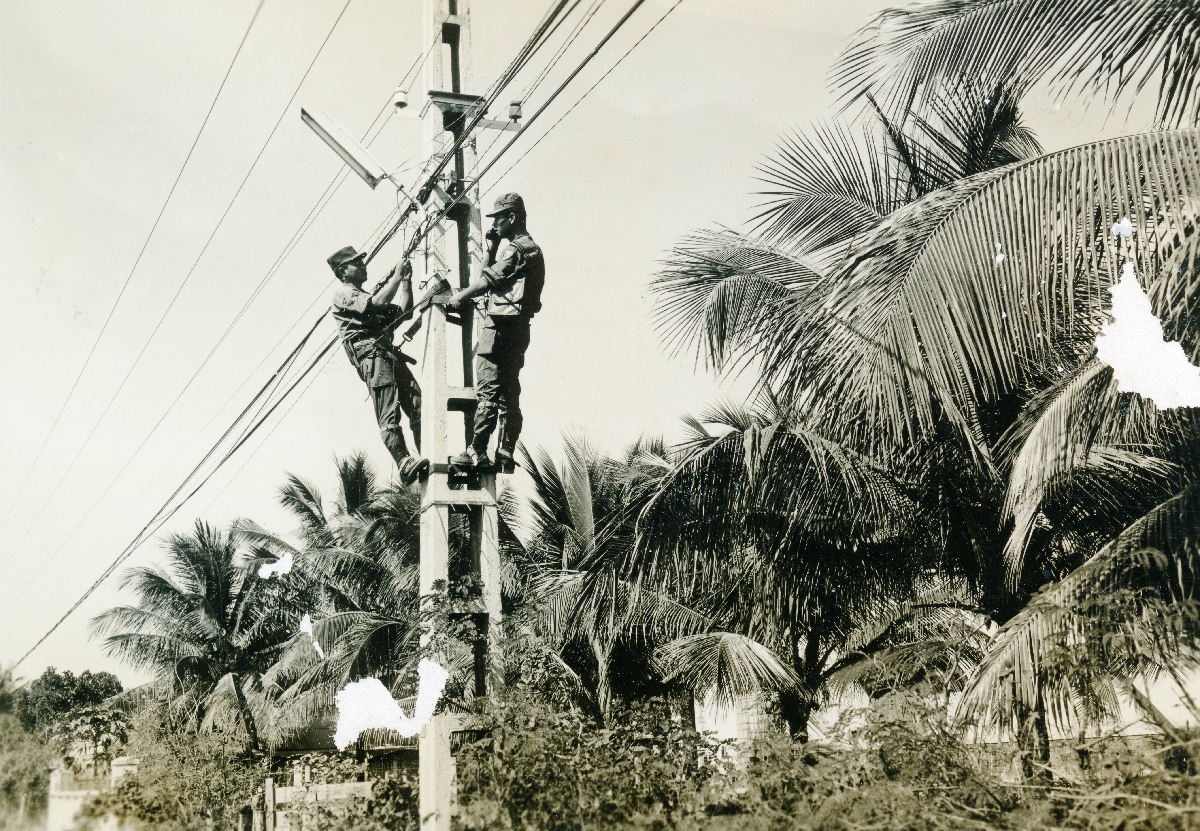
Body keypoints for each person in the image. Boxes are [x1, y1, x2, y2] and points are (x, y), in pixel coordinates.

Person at [445, 192, 545, 473]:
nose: (495, 225)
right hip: (517, 328)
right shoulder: (525, 249)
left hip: (500, 327)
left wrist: (461, 297)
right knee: (509, 392)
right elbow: (490, 273)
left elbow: (488, 279)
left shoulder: (519, 249)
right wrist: (492, 244)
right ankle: (504, 451)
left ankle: (476, 451)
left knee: (488, 391)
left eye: (499, 220)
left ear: (511, 218)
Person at [328, 245, 430, 485]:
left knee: (418, 404)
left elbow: (404, 313)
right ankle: (404, 462)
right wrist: (396, 276)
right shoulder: (343, 294)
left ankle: (428, 452)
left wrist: (405, 281)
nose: (364, 266)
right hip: (372, 356)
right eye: (357, 263)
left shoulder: (366, 296)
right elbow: (376, 302)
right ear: (343, 271)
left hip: (386, 353)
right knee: (389, 412)